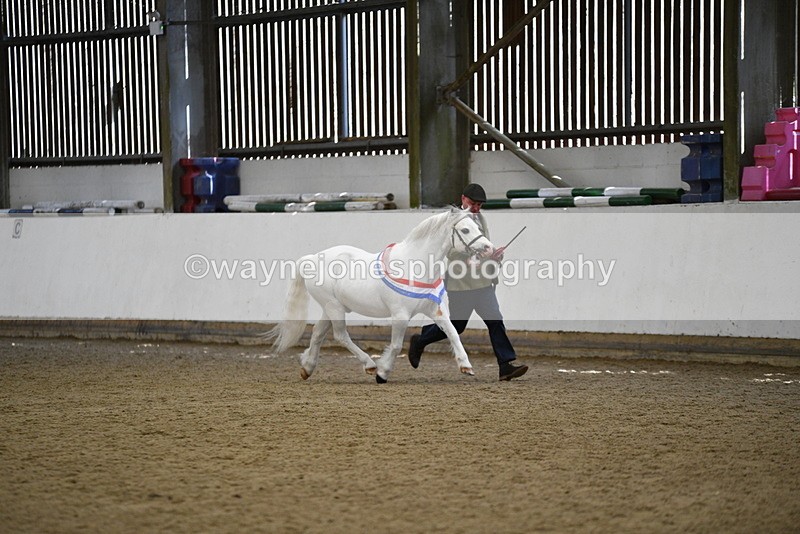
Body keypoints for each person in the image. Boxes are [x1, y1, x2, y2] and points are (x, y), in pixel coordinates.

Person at [407, 183, 528, 381]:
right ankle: (421, 340)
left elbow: (483, 244)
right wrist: (469, 261)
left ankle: (505, 365)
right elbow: (450, 250)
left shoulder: (481, 219)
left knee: (495, 320)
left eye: (479, 205)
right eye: (473, 203)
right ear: (463, 199)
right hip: (461, 284)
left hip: (483, 283)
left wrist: (494, 255)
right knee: (457, 325)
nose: (476, 208)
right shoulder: (451, 221)